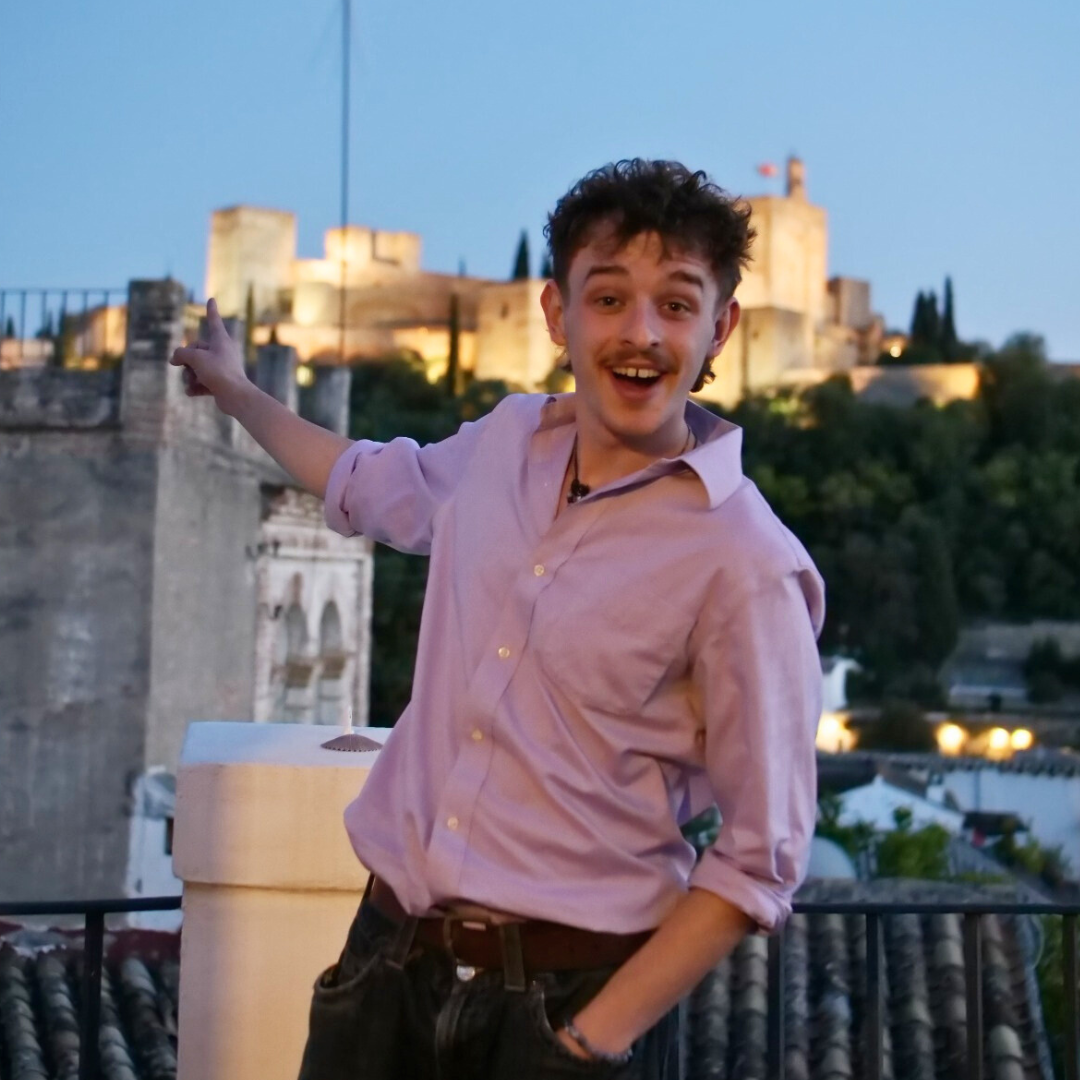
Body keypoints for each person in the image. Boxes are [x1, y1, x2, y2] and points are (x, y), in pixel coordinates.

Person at [171, 159, 825, 1080]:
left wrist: (587, 1043)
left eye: (677, 305)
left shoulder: (747, 560)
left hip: (567, 1007)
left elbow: (760, 857)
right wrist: (238, 392)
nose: (641, 333)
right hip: (385, 967)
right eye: (609, 298)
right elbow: (363, 481)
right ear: (559, 317)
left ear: (722, 329)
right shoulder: (504, 443)